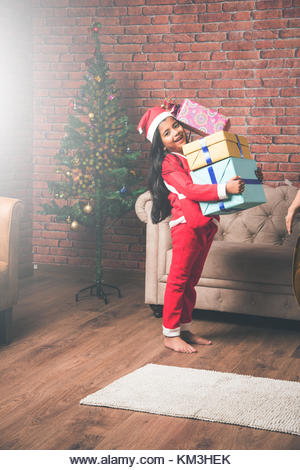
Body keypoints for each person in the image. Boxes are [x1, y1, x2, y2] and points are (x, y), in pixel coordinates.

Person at [138, 106, 245, 353]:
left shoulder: (196, 153)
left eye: (176, 125)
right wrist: (224, 189)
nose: (175, 132)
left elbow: (220, 129)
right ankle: (170, 334)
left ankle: (183, 329)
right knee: (178, 280)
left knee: (191, 281)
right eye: (166, 132)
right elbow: (189, 189)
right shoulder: (168, 162)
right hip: (186, 227)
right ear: (161, 144)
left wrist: (181, 113)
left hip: (206, 225)